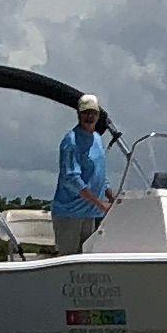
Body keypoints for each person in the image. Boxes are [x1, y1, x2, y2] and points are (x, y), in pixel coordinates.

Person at [50, 95, 117, 253]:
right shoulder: (71, 141)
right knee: (69, 259)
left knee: (88, 257)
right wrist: (100, 204)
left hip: (90, 212)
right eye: (85, 113)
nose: (89, 116)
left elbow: (100, 174)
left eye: (93, 113)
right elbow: (73, 179)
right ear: (79, 115)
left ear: (98, 115)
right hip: (70, 214)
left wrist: (113, 199)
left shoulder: (97, 139)